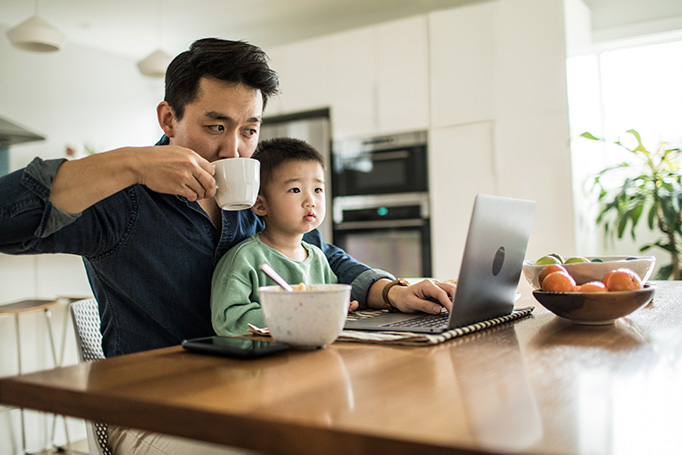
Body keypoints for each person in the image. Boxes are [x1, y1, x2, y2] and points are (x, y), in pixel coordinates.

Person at [0, 37, 455, 454]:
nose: (235, 150)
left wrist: (391, 290)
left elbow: (317, 253)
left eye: (249, 130)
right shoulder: (120, 200)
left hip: (262, 388)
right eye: (216, 127)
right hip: (153, 409)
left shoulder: (252, 194)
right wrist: (132, 164)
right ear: (168, 118)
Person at [211, 137, 360, 336]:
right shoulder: (245, 258)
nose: (311, 201)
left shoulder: (318, 258)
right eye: (295, 190)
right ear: (261, 205)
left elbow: (322, 308)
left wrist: (337, 308)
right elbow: (228, 321)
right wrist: (295, 313)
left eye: (317, 189)